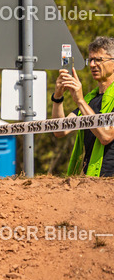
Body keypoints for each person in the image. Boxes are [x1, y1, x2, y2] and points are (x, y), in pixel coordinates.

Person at [51, 36, 114, 177]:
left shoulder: (85, 102)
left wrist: (80, 101)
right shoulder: (90, 99)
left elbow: (106, 136)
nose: (92, 65)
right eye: (90, 60)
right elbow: (60, 131)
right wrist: (58, 97)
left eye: (98, 60)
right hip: (91, 181)